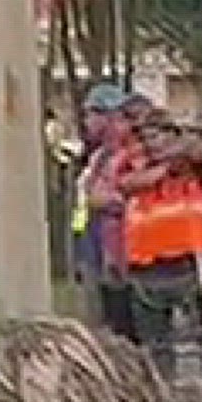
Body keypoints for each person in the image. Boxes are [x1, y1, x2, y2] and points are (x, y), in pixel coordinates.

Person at [119, 109, 202, 386]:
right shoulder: (135, 166)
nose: (152, 143)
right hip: (147, 266)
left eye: (157, 135)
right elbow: (127, 184)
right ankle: (163, 394)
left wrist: (177, 155)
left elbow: (201, 147)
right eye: (146, 138)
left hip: (189, 262)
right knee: (155, 345)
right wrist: (164, 166)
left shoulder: (193, 167)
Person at [71, 83, 140, 344]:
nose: (87, 121)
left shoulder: (127, 155)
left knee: (121, 318)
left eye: (91, 114)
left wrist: (100, 201)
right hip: (91, 242)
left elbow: (123, 197)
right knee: (99, 321)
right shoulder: (98, 156)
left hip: (116, 245)